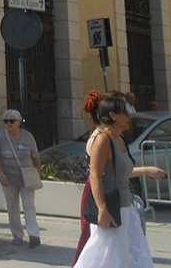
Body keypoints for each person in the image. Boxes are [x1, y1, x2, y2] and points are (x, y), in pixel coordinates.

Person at [73, 94, 166, 268]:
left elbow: (122, 172)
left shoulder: (119, 140)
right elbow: (95, 176)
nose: (129, 117)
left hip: (126, 207)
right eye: (125, 113)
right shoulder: (102, 140)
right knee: (105, 257)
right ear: (113, 115)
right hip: (112, 209)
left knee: (134, 254)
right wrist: (102, 210)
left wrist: (147, 171)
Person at [0, 109, 42, 247]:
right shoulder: (1, 138)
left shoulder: (28, 137)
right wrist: (1, 175)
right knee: (12, 208)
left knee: (29, 206)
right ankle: (17, 235)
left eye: (12, 121)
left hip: (26, 178)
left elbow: (36, 158)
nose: (9, 124)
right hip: (8, 179)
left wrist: (36, 175)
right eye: (6, 121)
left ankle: (34, 235)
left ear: (19, 122)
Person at [72, 90, 105, 266]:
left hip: (97, 188)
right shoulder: (99, 138)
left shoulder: (102, 135)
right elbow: (97, 174)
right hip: (95, 190)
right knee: (91, 238)